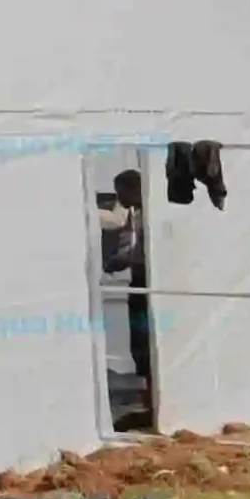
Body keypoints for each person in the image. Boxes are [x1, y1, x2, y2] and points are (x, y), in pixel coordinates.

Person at [100, 170, 154, 407]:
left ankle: (151, 401)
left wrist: (121, 261)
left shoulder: (149, 215)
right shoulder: (136, 214)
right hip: (138, 284)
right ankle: (148, 400)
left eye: (122, 192)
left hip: (148, 284)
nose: (120, 199)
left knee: (146, 341)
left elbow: (142, 252)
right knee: (139, 343)